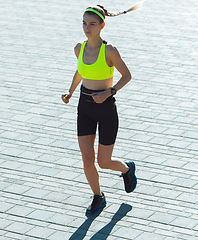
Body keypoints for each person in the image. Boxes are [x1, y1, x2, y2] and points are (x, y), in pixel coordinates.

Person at [62, 5, 137, 215]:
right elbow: (80, 71)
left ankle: (127, 169)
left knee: (103, 162)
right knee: (87, 158)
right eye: (84, 23)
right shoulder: (79, 48)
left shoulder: (109, 51)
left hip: (105, 109)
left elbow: (127, 75)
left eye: (92, 24)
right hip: (84, 106)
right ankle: (98, 196)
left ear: (102, 26)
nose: (87, 28)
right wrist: (70, 91)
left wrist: (109, 92)